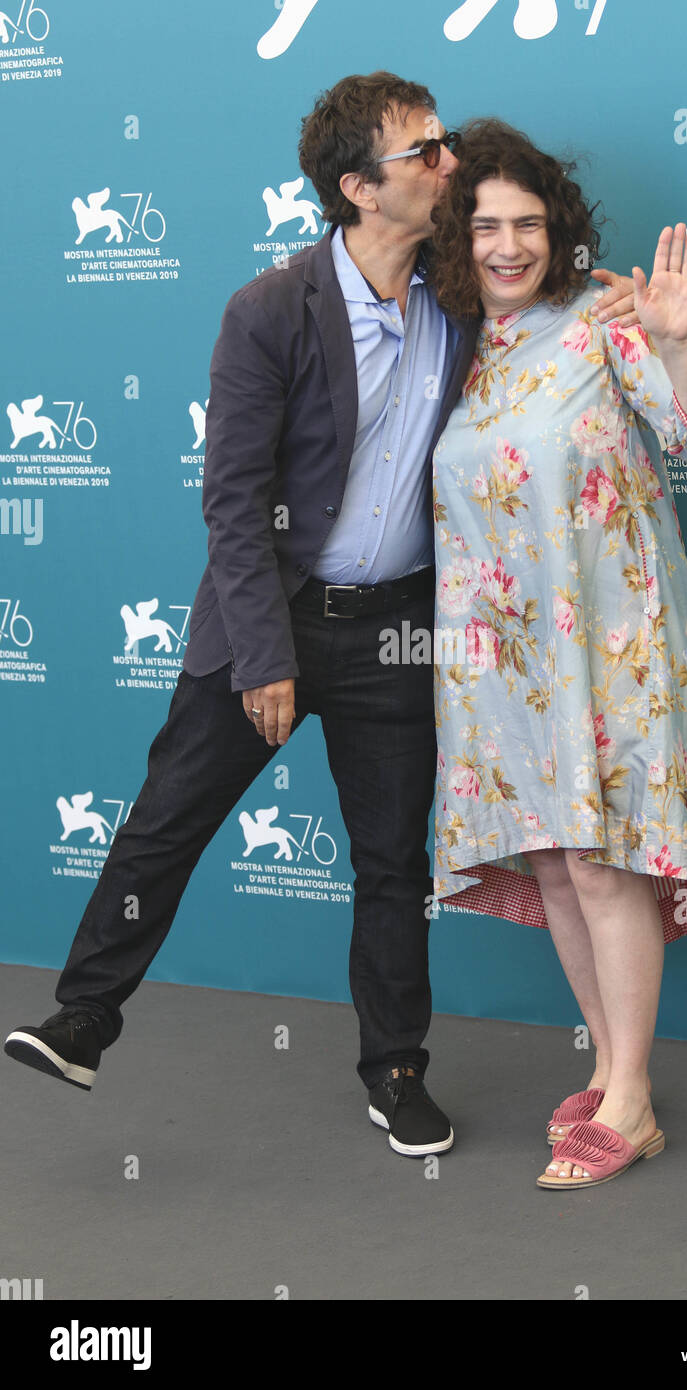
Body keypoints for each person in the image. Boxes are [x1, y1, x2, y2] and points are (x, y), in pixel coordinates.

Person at [4, 78, 636, 1160]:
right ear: (358, 188)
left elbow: (540, 312)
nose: (450, 164)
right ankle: (84, 1017)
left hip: (398, 629)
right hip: (275, 618)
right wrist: (262, 654)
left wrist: (612, 301)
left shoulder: (453, 296)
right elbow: (235, 501)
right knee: (167, 819)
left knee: (390, 864)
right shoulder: (270, 310)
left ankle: (395, 1070)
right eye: (425, 153)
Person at [428, 119, 687, 1188]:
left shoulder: (600, 321)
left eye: (525, 223)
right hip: (498, 663)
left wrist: (672, 343)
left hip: (613, 648)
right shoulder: (449, 346)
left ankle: (633, 1099)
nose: (506, 245)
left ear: (553, 230)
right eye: (484, 225)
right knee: (557, 862)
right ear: (454, 235)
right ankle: (610, 1066)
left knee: (605, 863)